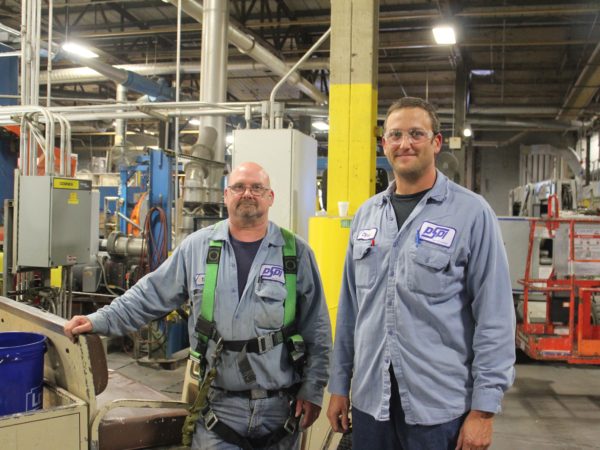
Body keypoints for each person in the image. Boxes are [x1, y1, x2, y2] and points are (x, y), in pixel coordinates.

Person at [65, 161, 332, 450]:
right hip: (218, 408)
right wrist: (99, 320)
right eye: (239, 187)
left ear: (270, 197)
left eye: (257, 188)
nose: (248, 194)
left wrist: (313, 390)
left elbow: (317, 329)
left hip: (281, 409)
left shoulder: (296, 253)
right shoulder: (198, 248)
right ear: (225, 195)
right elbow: (147, 296)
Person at [326, 97, 515, 450]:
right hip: (370, 405)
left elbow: (495, 318)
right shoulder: (367, 216)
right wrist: (339, 385)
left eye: (416, 134)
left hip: (438, 410)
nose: (404, 144)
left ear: (436, 142)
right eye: (395, 135)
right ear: (384, 144)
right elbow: (351, 310)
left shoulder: (471, 214)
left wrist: (484, 411)